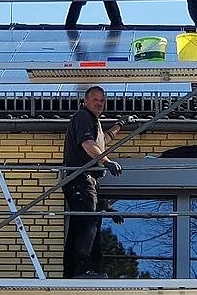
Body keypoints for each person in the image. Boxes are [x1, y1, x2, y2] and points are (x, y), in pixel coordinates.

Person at [62, 86, 135, 278]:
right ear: (86, 101)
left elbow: (104, 140)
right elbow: (88, 144)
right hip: (80, 177)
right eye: (95, 99)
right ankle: (83, 269)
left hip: (86, 180)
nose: (99, 103)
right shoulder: (83, 116)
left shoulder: (94, 122)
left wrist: (120, 124)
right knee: (88, 221)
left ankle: (75, 271)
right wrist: (106, 162)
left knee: (84, 221)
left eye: (102, 100)